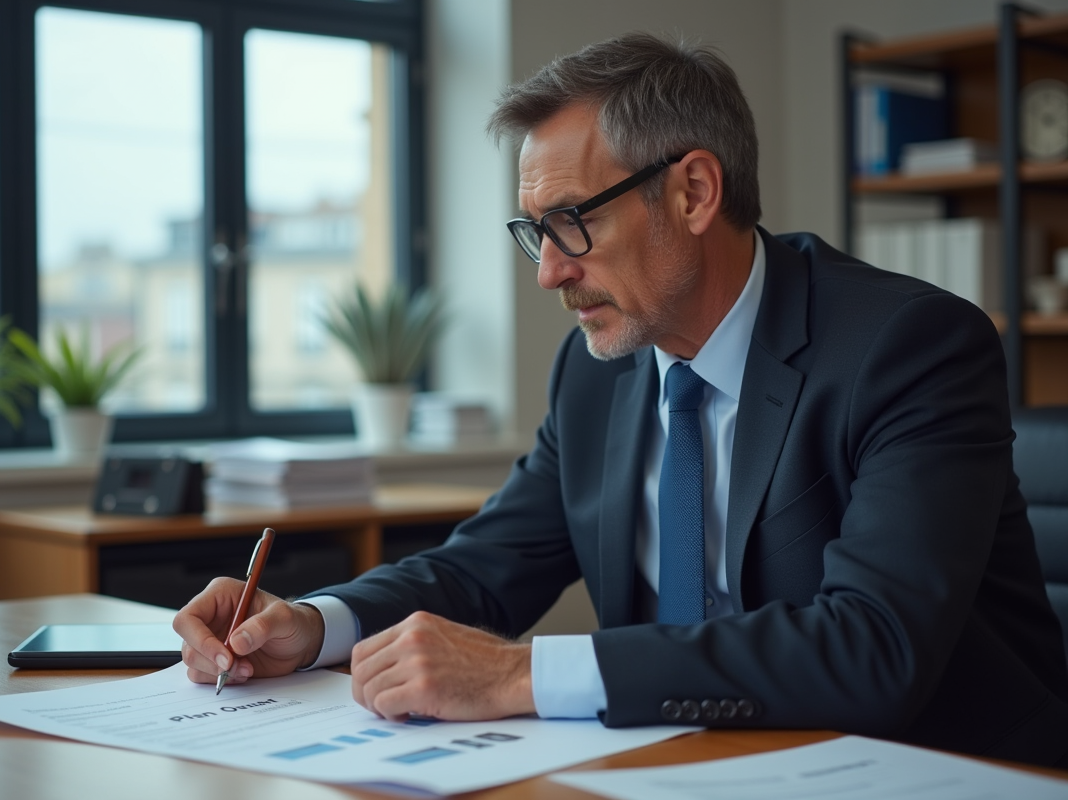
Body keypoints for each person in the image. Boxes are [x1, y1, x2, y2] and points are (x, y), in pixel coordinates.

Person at [174, 32, 1068, 766]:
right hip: (688, 767)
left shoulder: (910, 346)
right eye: (535, 233)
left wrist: (519, 677)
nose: (550, 272)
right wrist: (311, 624)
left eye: (573, 222)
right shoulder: (597, 372)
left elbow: (874, 646)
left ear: (693, 191)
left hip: (938, 769)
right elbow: (484, 565)